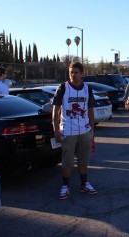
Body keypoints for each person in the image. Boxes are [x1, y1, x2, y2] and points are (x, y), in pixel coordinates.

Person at [52, 61, 97, 200]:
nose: (73, 75)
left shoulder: (87, 89)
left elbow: (90, 110)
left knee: (84, 159)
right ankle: (65, 186)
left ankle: (84, 183)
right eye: (71, 72)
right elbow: (56, 110)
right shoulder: (63, 88)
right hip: (68, 130)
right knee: (67, 161)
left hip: (85, 131)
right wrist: (56, 129)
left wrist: (92, 130)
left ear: (82, 73)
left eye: (76, 72)